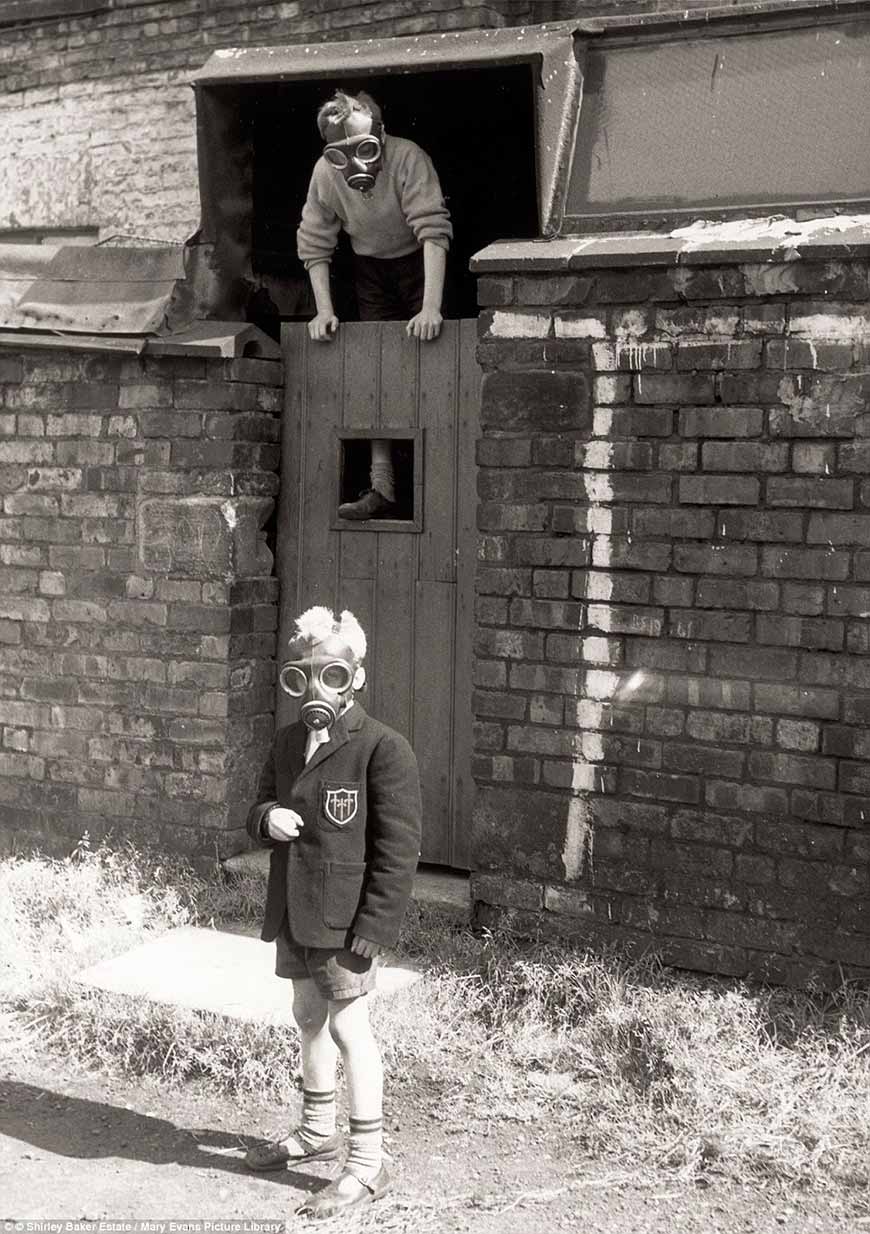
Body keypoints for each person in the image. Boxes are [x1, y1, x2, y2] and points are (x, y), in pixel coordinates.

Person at [243, 606, 422, 1220]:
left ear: (357, 679)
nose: (316, 690)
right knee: (306, 1014)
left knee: (350, 1028)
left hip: (346, 921)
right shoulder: (289, 741)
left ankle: (368, 1163)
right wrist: (267, 818)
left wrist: (373, 931)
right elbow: (257, 803)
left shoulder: (382, 749)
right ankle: (316, 1129)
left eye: (333, 677)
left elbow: (398, 854)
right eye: (303, 677)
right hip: (296, 910)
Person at [297, 89, 452, 520]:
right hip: (370, 269)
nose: (356, 166)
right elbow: (314, 241)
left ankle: (441, 488)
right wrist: (324, 310)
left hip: (420, 263)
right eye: (341, 155)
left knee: (434, 361)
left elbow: (433, 230)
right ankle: (382, 486)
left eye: (365, 150)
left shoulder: (408, 158)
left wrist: (431, 306)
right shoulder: (325, 174)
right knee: (378, 372)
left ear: (381, 136)